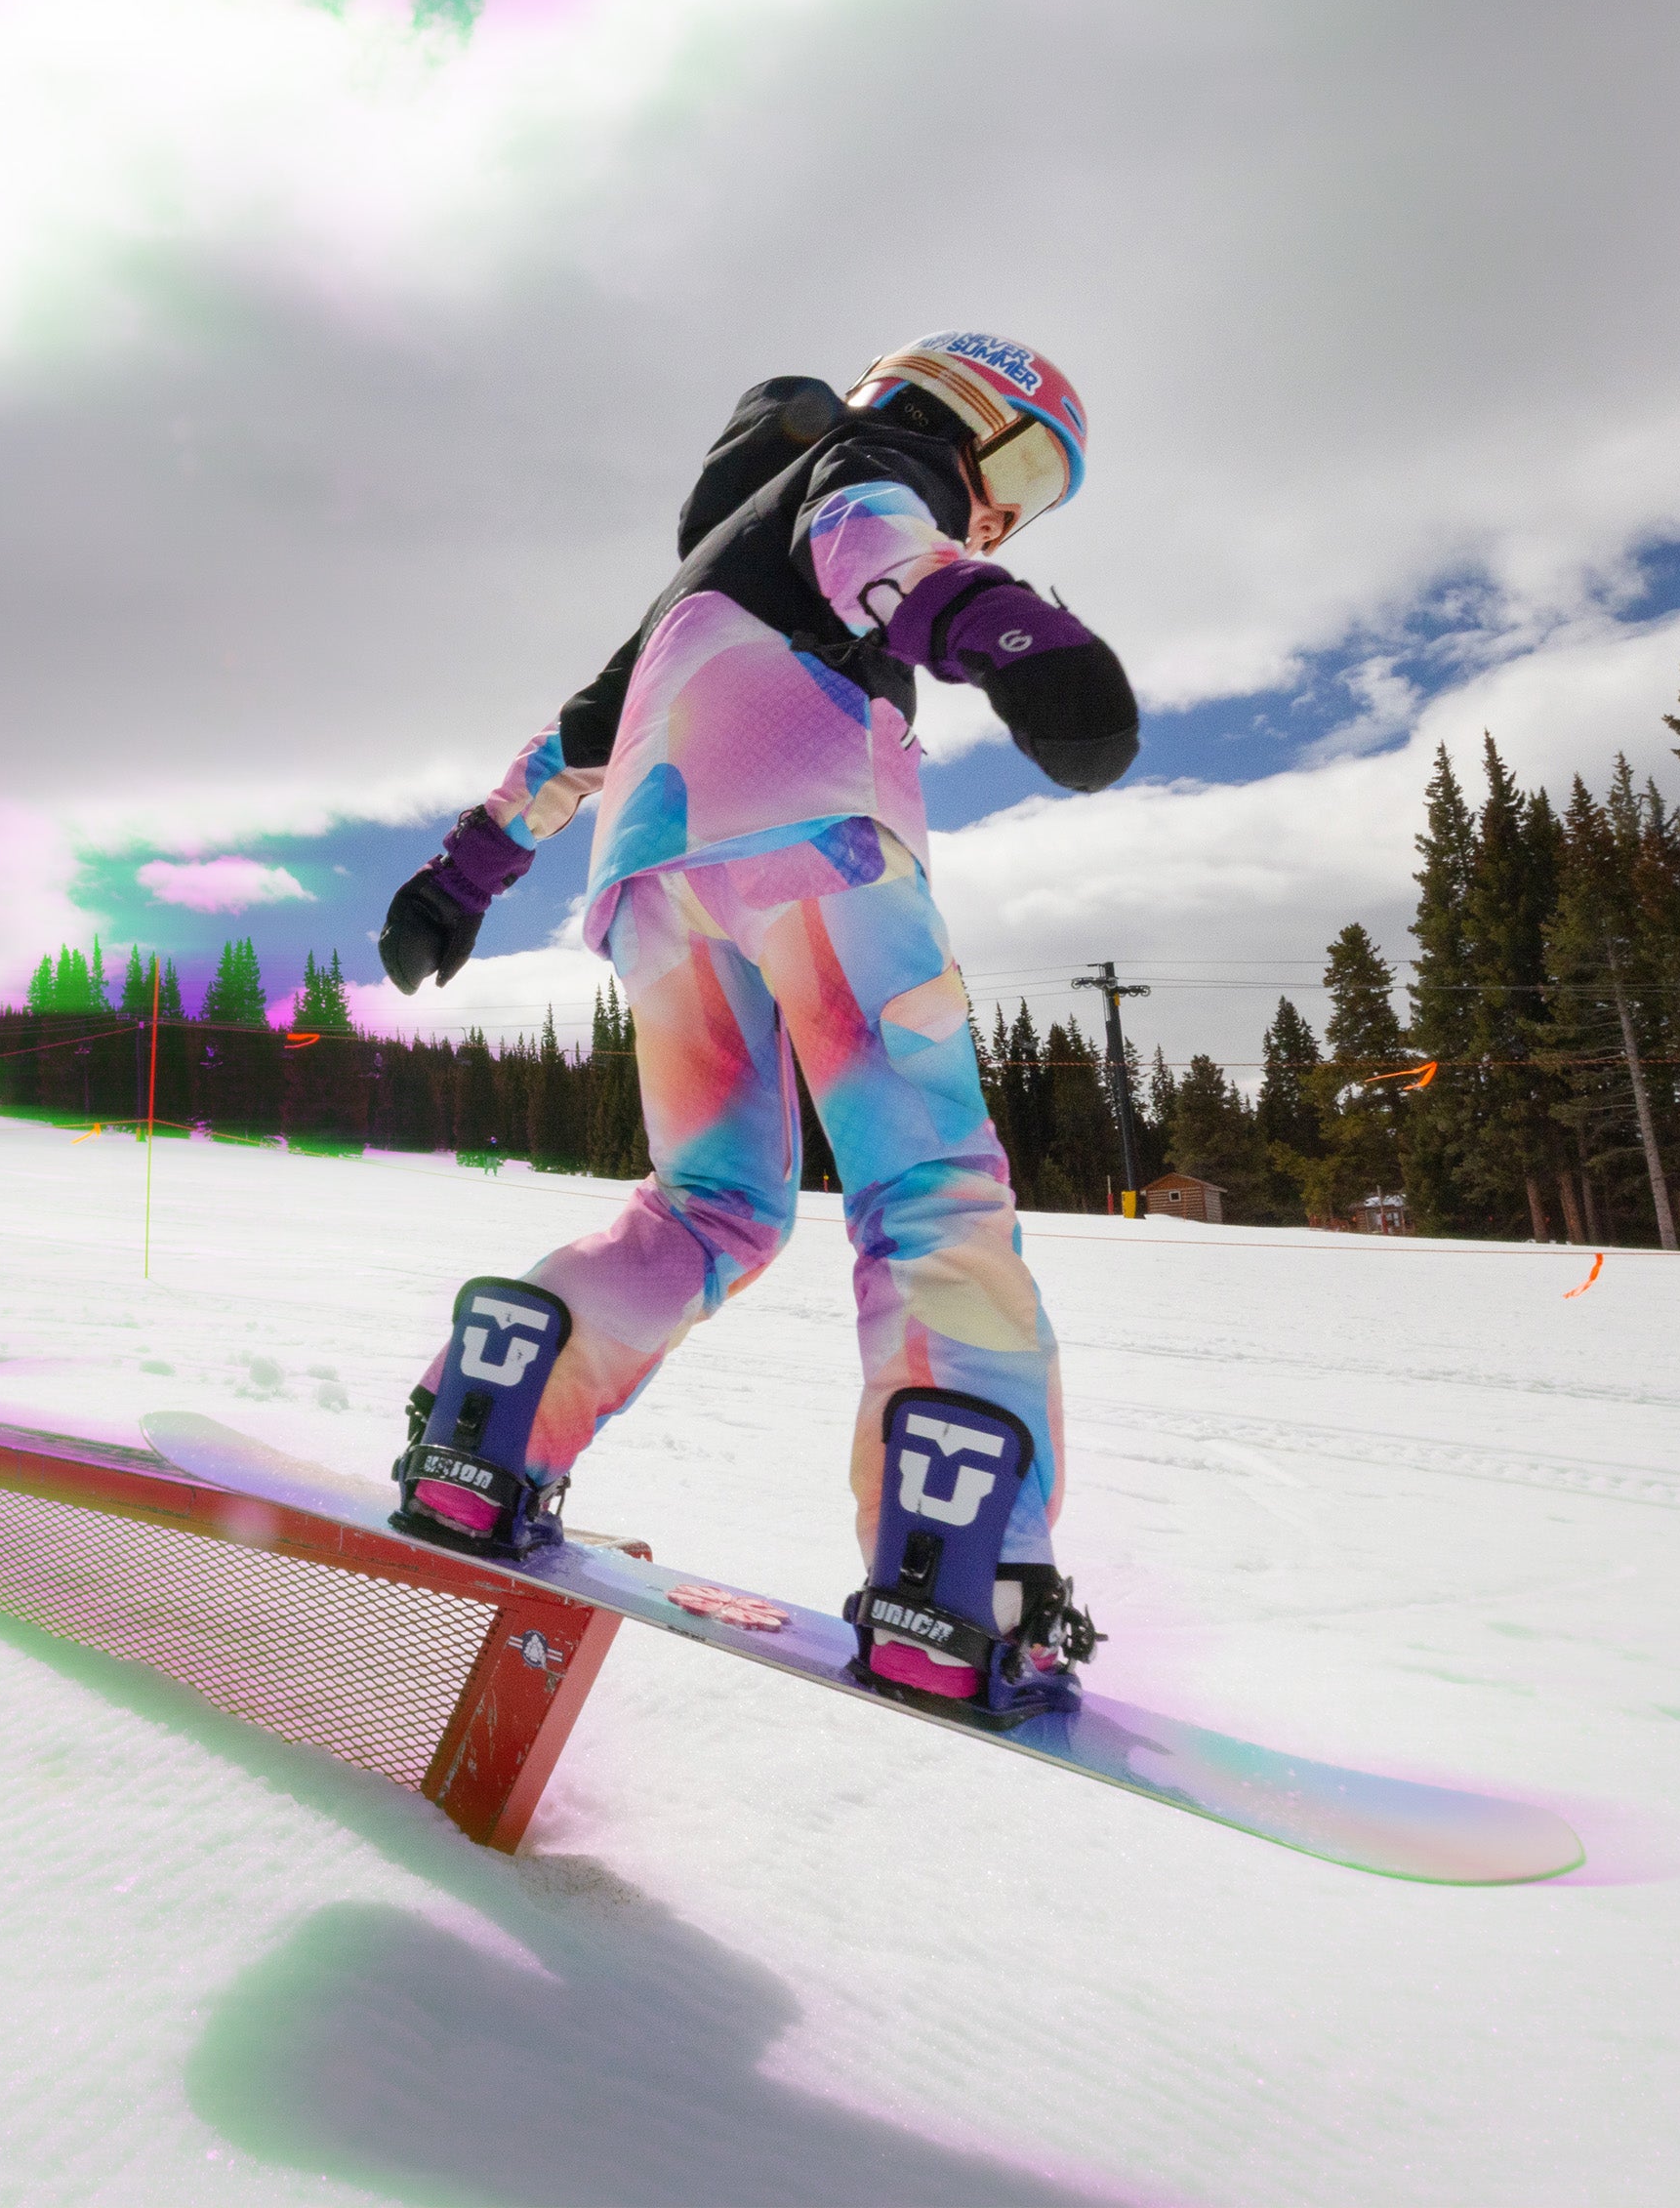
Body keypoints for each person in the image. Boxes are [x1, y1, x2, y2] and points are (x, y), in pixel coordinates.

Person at [373, 332, 1134, 1725]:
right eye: (1022, 471)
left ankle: (488, 1430)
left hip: (652, 879)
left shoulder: (691, 582)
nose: (1007, 509)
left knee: (712, 1203)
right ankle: (960, 1588)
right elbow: (877, 539)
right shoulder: (879, 462)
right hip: (816, 846)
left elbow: (573, 748)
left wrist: (461, 873)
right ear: (965, 408)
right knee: (928, 1197)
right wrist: (1009, 631)